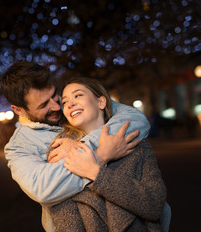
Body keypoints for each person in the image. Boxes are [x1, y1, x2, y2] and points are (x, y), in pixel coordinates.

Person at [0, 61, 170, 231]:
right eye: (44, 105)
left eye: (55, 95)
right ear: (19, 110)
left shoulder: (80, 107)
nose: (57, 106)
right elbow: (43, 190)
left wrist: (79, 147)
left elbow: (136, 119)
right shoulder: (18, 147)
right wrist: (100, 154)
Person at [49, 77, 168, 231]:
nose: (70, 104)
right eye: (64, 102)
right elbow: (67, 224)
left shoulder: (136, 144)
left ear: (101, 102)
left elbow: (154, 206)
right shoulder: (63, 154)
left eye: (78, 95)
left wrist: (95, 173)